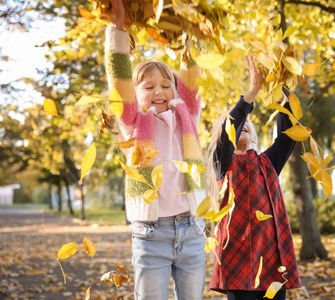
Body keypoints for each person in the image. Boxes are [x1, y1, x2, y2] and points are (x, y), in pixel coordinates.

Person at [105, 0, 206, 299]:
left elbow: (191, 79)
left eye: (166, 85)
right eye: (148, 87)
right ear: (135, 96)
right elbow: (119, 83)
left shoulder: (186, 116)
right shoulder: (133, 123)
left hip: (192, 229)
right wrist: (118, 30)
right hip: (151, 234)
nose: (159, 91)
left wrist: (190, 31)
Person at [207, 56, 301, 300]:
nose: (243, 123)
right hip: (235, 256)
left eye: (247, 121)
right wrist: (252, 92)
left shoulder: (267, 163)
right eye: (238, 122)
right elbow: (228, 137)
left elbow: (288, 134)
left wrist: (281, 86)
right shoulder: (222, 163)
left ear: (256, 135)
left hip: (270, 256)